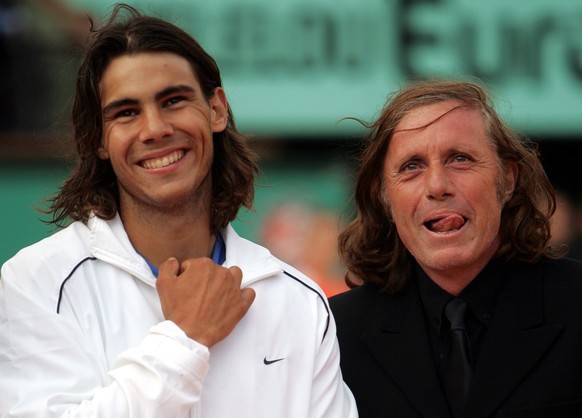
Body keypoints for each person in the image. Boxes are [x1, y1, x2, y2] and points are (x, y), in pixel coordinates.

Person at [0, 4, 357, 417]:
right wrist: (184, 337)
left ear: (216, 110)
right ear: (99, 139)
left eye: (173, 101)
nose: (155, 129)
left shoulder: (300, 300)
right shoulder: (36, 283)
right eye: (127, 112)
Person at [329, 80, 582, 418]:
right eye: (412, 166)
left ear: (507, 180)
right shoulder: (333, 333)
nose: (437, 186)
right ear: (383, 196)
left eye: (460, 159)